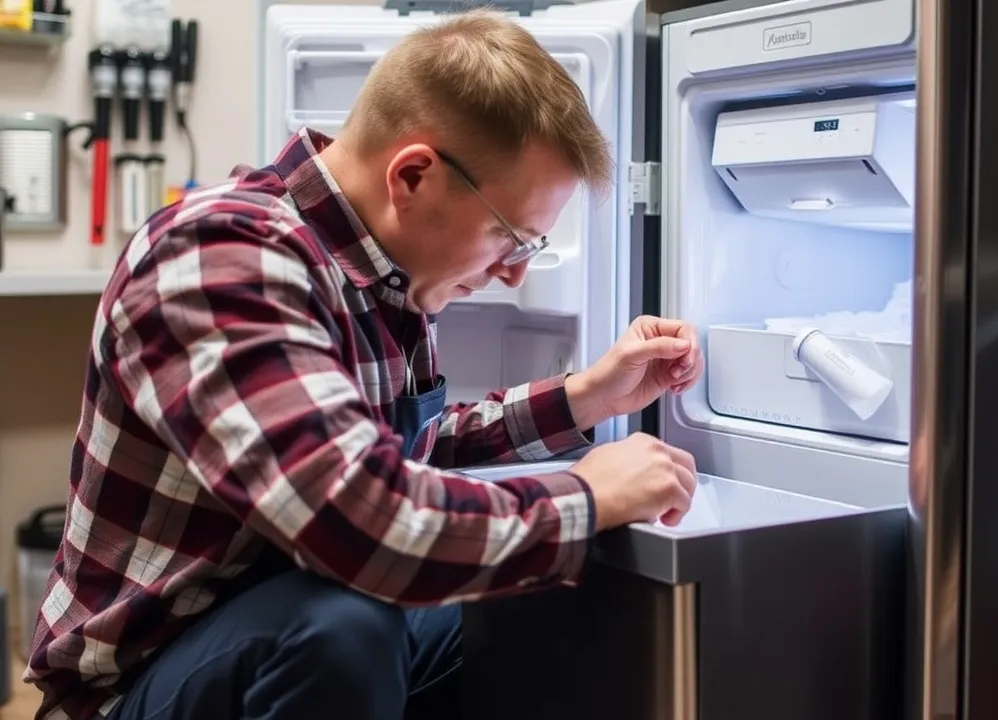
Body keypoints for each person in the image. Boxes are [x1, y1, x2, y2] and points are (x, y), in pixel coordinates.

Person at [23, 10, 704, 720]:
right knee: (343, 626)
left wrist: (587, 397)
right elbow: (360, 518)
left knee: (542, 588)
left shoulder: (378, 282)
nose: (511, 273)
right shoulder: (221, 258)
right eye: (511, 237)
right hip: (144, 678)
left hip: (265, 624)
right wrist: (586, 496)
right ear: (413, 175)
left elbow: (406, 454)